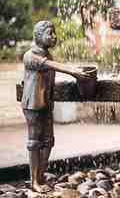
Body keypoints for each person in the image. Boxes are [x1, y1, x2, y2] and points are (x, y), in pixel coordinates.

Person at [21, 20, 94, 193]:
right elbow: (48, 65)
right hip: (33, 105)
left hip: (46, 103)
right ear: (39, 36)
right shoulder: (30, 56)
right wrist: (73, 71)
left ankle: (40, 176)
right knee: (34, 142)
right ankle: (34, 181)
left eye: (54, 33)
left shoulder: (48, 55)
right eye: (50, 33)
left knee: (48, 141)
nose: (54, 37)